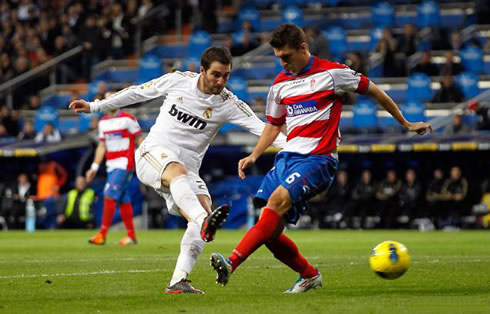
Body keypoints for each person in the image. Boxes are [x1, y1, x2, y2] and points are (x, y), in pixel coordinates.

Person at [210, 24, 432, 293]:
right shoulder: (280, 84)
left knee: (277, 203)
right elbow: (274, 124)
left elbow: (375, 91)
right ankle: (309, 275)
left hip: (318, 159)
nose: (283, 63)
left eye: (287, 57)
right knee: (269, 232)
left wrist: (406, 123)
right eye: (279, 58)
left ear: (303, 48)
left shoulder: (333, 73)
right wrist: (255, 154)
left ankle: (230, 263)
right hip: (287, 159)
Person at [69, 47, 286, 294]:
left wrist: (308, 146)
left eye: (226, 76)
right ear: (201, 70)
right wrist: (95, 106)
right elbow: (137, 92)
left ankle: (178, 280)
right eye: (216, 74)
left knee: (202, 207)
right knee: (193, 199)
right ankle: (205, 220)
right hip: (152, 155)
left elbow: (265, 129)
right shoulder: (178, 81)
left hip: (186, 172)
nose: (221, 81)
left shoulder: (229, 103)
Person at [84, 104, 142, 246]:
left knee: (109, 194)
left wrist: (146, 159)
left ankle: (102, 234)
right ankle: (131, 236)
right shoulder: (103, 122)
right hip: (111, 165)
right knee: (123, 198)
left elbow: (140, 140)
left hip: (124, 163)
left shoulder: (128, 119)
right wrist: (94, 167)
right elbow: (101, 146)